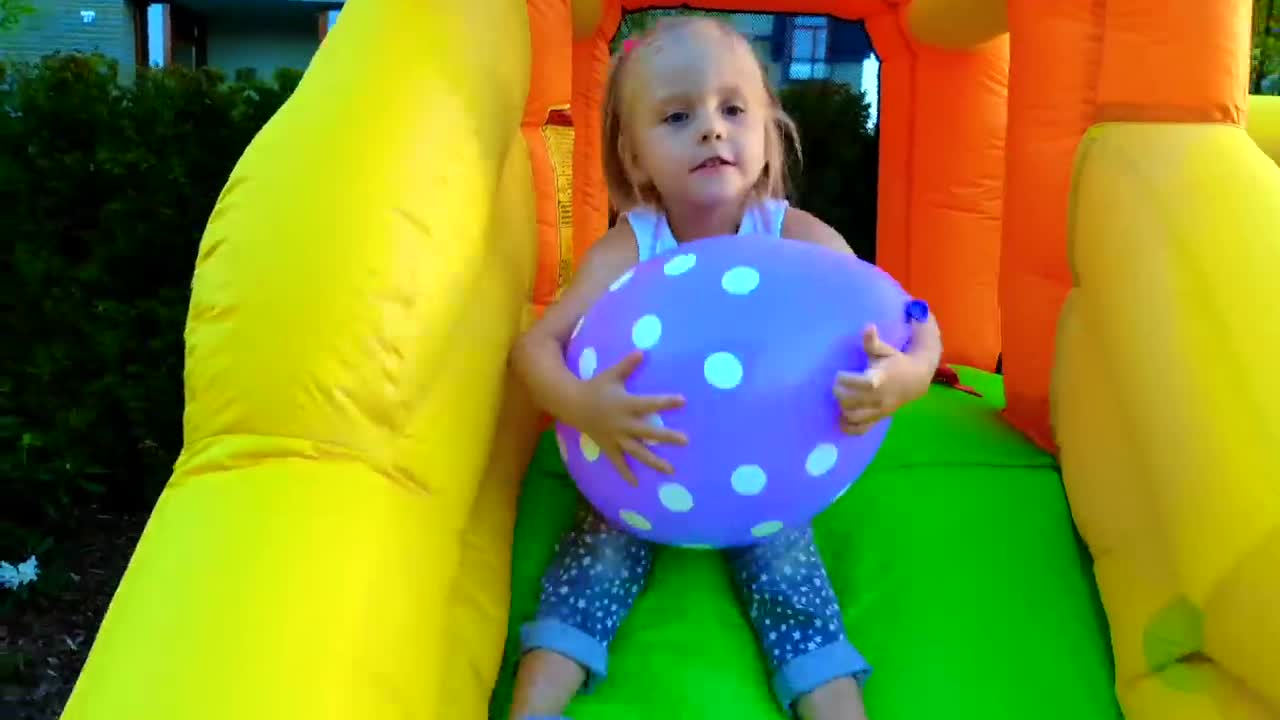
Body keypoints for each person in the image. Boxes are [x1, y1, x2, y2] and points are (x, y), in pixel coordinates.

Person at [507, 16, 942, 720]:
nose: (712, 129)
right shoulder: (631, 247)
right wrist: (586, 408)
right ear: (635, 155)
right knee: (591, 564)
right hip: (640, 463)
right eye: (678, 115)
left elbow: (911, 318)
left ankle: (836, 706)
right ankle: (536, 706)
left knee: (794, 585)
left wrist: (907, 378)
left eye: (733, 109)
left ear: (767, 130)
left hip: (769, 474)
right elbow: (535, 347)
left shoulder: (792, 236)